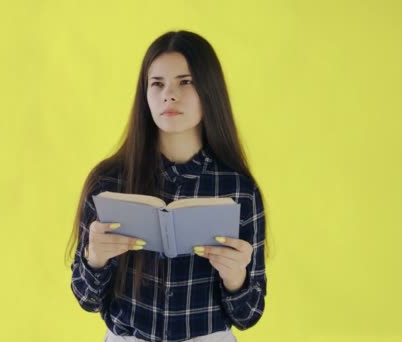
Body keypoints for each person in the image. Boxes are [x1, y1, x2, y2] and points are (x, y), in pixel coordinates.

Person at [65, 30, 270, 342]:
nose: (168, 95)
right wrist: (96, 259)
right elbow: (86, 299)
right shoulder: (108, 181)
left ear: (209, 90)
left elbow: (249, 315)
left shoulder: (239, 189)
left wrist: (235, 277)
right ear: (144, 95)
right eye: (157, 84)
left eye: (185, 82)